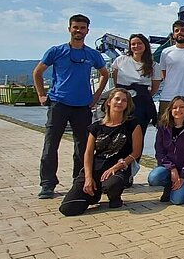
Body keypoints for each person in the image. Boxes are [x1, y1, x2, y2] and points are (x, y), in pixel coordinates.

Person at [33, 14, 109, 199]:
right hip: (59, 103)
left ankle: (80, 179)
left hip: (82, 106)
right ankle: (47, 184)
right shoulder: (56, 51)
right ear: (69, 29)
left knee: (83, 146)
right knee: (51, 144)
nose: (79, 31)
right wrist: (42, 95)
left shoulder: (92, 54)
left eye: (82, 28)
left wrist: (96, 96)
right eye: (75, 27)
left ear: (87, 31)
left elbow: (104, 74)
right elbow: (38, 72)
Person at [59, 88, 143, 216]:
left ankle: (114, 197)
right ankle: (93, 196)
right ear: (109, 102)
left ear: (127, 105)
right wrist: (88, 177)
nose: (120, 102)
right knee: (67, 208)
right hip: (96, 168)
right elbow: (88, 153)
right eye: (117, 99)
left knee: (113, 184)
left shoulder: (133, 125)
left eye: (124, 101)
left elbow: (136, 152)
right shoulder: (96, 127)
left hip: (118, 168)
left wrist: (118, 165)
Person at [148, 96, 184, 204]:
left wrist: (182, 176)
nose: (178, 110)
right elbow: (159, 152)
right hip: (169, 167)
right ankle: (169, 186)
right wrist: (172, 168)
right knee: (154, 178)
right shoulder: (163, 127)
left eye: (182, 107)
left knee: (176, 201)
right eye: (175, 107)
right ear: (170, 110)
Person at [112, 33, 162, 131]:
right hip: (122, 100)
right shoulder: (120, 60)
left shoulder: (154, 65)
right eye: (133, 44)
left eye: (139, 43)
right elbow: (115, 79)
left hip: (141, 103)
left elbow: (155, 88)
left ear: (145, 45)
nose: (136, 46)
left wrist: (143, 95)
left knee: (138, 132)